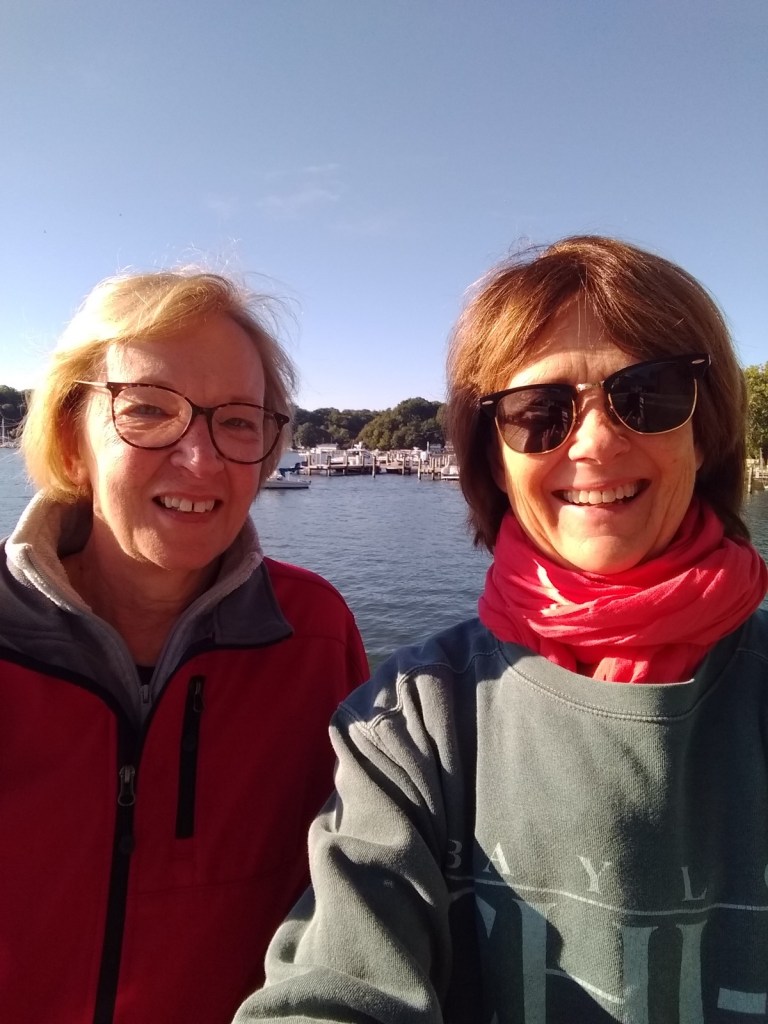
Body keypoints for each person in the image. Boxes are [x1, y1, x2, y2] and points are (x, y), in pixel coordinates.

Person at [234, 236, 768, 1023]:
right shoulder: (412, 723)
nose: (595, 441)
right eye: (539, 413)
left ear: (706, 427)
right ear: (492, 457)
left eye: (647, 394)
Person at [0, 269, 369, 1024]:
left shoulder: (315, 635)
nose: (201, 460)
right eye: (147, 409)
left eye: (238, 421)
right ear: (71, 439)